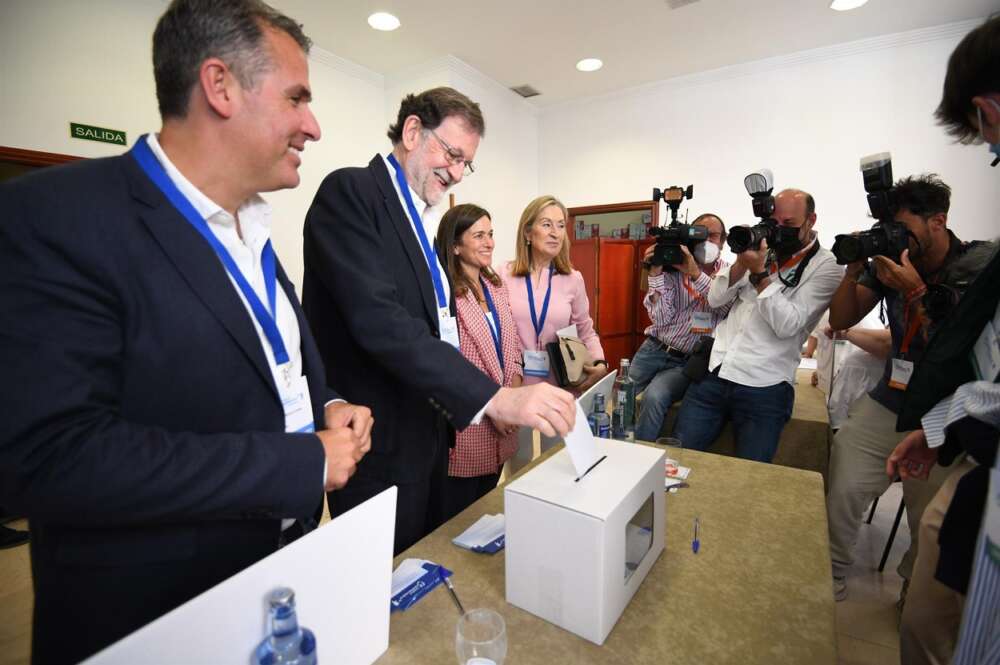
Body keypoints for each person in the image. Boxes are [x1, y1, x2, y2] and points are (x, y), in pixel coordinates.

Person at [0, 2, 373, 663]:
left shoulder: (250, 228)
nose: (313, 125)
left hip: (275, 593)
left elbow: (256, 369)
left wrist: (327, 406)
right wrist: (303, 460)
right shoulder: (55, 217)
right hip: (159, 621)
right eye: (297, 98)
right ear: (220, 86)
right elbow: (52, 458)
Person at [302, 88, 576, 555]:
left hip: (428, 438)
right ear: (412, 132)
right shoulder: (352, 193)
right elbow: (382, 323)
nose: (455, 172)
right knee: (390, 582)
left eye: (465, 163)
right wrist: (495, 398)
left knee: (427, 566)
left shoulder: (418, 218)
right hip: (379, 442)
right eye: (451, 154)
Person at [885, 15, 1000, 664]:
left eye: (984, 134)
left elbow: (962, 355)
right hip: (937, 424)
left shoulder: (976, 266)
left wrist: (919, 295)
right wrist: (938, 427)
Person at [825, 174, 995, 603]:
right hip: (891, 399)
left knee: (928, 514)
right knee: (843, 475)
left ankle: (912, 589)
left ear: (938, 221)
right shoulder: (889, 263)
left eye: (905, 228)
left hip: (946, 410)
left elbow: (957, 348)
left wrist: (916, 290)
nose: (897, 237)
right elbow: (841, 319)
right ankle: (831, 567)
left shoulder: (978, 268)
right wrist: (854, 270)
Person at [673, 189, 842, 463]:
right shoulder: (765, 247)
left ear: (811, 220)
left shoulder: (827, 267)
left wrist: (760, 273)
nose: (780, 231)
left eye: (789, 225)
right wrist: (742, 262)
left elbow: (788, 325)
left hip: (765, 385)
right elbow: (716, 298)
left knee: (751, 476)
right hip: (716, 370)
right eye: (776, 223)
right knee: (678, 458)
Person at [434, 204, 524, 521]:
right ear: (455, 246)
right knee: (459, 517)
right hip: (470, 425)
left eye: (490, 234)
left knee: (487, 506)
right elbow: (449, 367)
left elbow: (512, 346)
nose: (489, 243)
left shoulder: (496, 287)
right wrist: (493, 405)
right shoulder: (443, 296)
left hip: (504, 423)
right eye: (478, 236)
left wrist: (512, 396)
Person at [628, 213, 733, 442]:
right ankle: (611, 446)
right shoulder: (673, 267)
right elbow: (662, 318)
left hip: (686, 360)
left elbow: (725, 308)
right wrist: (654, 273)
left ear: (723, 241)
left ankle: (642, 455)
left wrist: (695, 273)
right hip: (653, 348)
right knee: (620, 395)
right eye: (699, 235)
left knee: (654, 397)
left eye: (712, 235)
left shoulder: (729, 273)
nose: (705, 241)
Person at [501, 195, 607, 390]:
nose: (555, 233)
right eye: (546, 224)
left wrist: (600, 362)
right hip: (515, 387)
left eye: (560, 226)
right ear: (528, 233)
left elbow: (585, 330)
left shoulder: (573, 279)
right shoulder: (503, 275)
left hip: (559, 387)